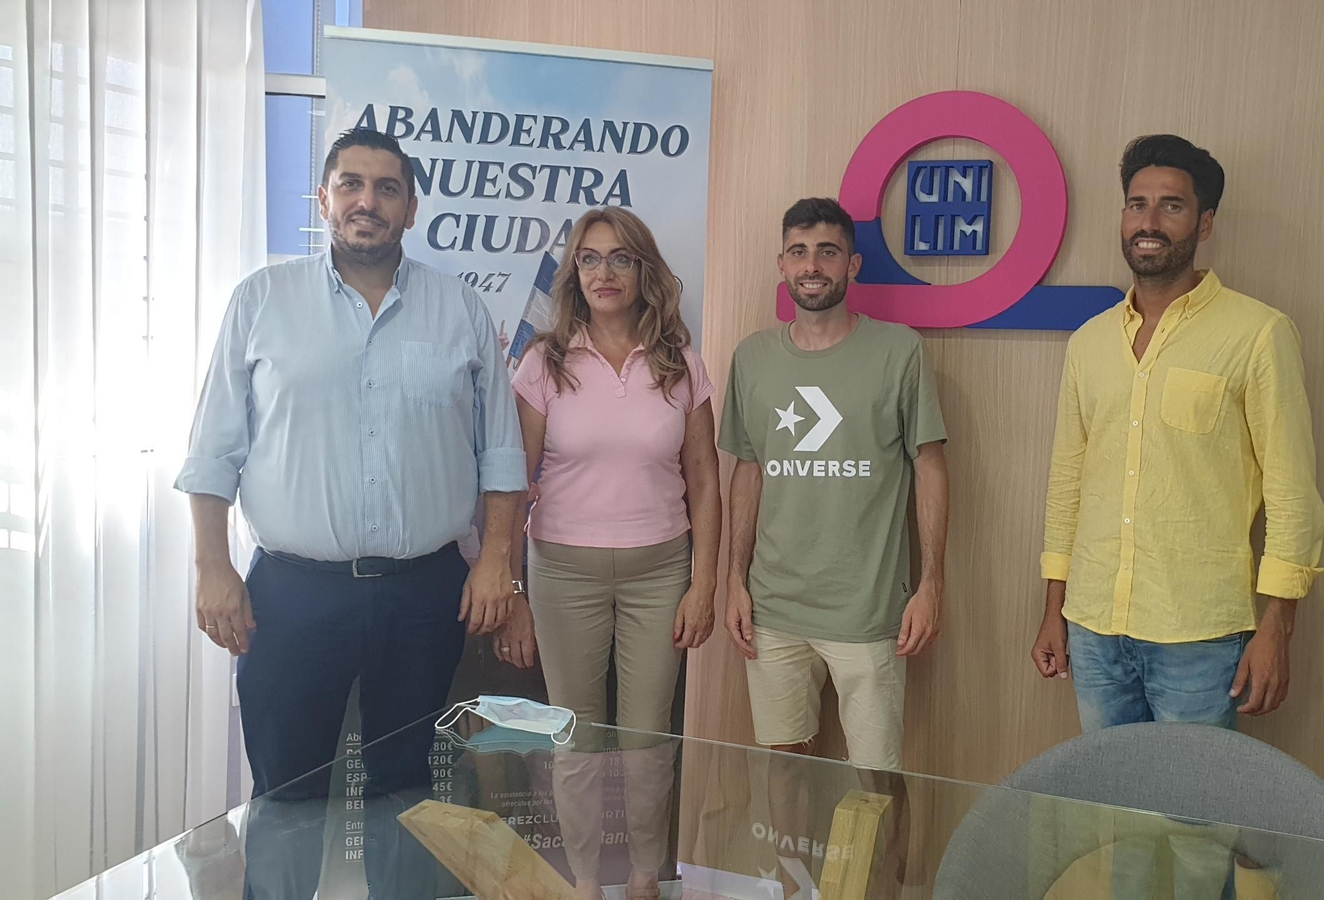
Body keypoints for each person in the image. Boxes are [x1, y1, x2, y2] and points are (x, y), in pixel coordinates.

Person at [175, 127, 527, 899]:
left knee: (407, 788)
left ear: (410, 207)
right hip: (294, 592)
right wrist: (212, 566)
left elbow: (501, 454)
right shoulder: (261, 300)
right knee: (289, 790)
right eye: (352, 184)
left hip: (425, 589)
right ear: (325, 198)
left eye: (387, 187)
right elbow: (213, 453)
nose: (368, 201)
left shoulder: (461, 309)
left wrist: (498, 559)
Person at [1031, 134, 1324, 732]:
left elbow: (1292, 492)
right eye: (1136, 204)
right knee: (1108, 807)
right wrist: (1054, 608)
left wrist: (1277, 626)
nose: (1149, 221)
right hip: (1093, 627)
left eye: (1172, 205)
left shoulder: (1257, 333)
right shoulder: (1089, 343)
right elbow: (1069, 480)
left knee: (1194, 821)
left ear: (1205, 222)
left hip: (1200, 634)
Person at [498, 207, 720, 900]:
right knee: (578, 737)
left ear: (643, 270)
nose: (604, 272)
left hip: (662, 571)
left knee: (650, 739)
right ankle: (588, 883)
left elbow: (708, 484)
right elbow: (515, 484)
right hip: (563, 572)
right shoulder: (543, 362)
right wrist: (513, 595)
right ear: (574, 274)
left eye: (620, 258)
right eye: (589, 259)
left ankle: (648, 880)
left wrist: (704, 583)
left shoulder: (680, 364)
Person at [720, 196, 950, 770]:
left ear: (853, 265)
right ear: (782, 265)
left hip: (868, 614)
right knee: (783, 776)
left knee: (879, 785)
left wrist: (931, 584)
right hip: (773, 611)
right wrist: (734, 580)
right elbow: (747, 472)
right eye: (798, 252)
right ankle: (788, 868)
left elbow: (930, 466)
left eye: (828, 251)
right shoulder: (752, 358)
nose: (812, 265)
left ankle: (883, 868)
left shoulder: (899, 351)